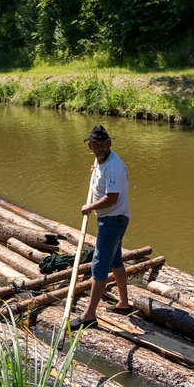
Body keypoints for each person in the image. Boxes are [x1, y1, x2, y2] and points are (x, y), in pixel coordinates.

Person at [70, 125, 131, 330]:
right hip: (114, 219)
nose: (100, 148)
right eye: (96, 145)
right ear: (91, 147)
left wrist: (90, 207)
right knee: (115, 260)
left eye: (104, 144)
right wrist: (96, 170)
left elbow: (111, 198)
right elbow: (104, 178)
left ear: (110, 143)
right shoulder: (101, 162)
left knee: (99, 265)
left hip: (113, 219)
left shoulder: (112, 165)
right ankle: (123, 303)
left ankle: (89, 315)